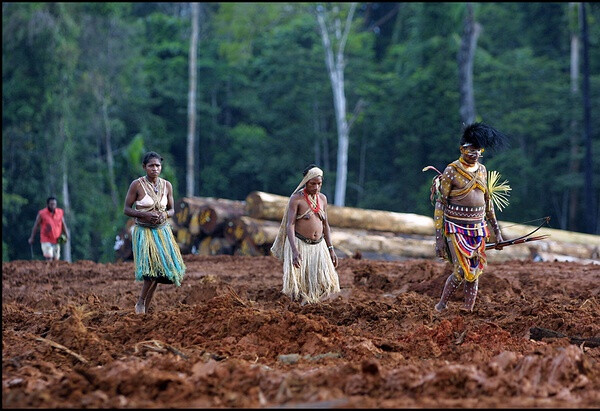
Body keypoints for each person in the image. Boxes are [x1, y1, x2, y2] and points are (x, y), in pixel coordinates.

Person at [430, 123, 508, 312]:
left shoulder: (482, 170)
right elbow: (441, 204)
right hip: (456, 229)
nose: (474, 154)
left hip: (478, 229)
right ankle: (441, 305)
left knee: (475, 273)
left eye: (478, 151)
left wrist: (497, 234)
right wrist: (439, 239)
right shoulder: (451, 171)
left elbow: (488, 203)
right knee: (460, 271)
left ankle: (468, 310)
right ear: (462, 149)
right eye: (470, 150)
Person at [124, 151, 186, 314]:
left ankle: (146, 305)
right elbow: (127, 209)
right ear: (144, 167)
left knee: (161, 271)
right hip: (144, 232)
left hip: (162, 231)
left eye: (157, 165)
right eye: (151, 166)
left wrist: (164, 214)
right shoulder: (136, 185)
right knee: (150, 270)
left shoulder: (167, 185)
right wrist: (144, 214)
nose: (155, 169)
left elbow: (172, 210)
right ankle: (141, 302)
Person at [271, 164, 340, 305]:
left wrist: (331, 249)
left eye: (319, 184)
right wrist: (294, 251)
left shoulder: (322, 199)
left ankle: (311, 308)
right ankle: (297, 312)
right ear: (305, 182)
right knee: (298, 286)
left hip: (319, 247)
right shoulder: (296, 199)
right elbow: (290, 225)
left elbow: (325, 224)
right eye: (312, 184)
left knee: (324, 282)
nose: (316, 187)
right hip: (300, 245)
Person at [28, 196, 69, 261]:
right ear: (47, 205)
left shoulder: (60, 212)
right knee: (49, 257)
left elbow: (63, 224)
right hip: (46, 239)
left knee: (56, 259)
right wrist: (32, 237)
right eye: (51, 204)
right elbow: (36, 226)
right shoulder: (42, 213)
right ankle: (48, 271)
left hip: (56, 240)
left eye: (54, 204)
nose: (53, 206)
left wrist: (67, 235)